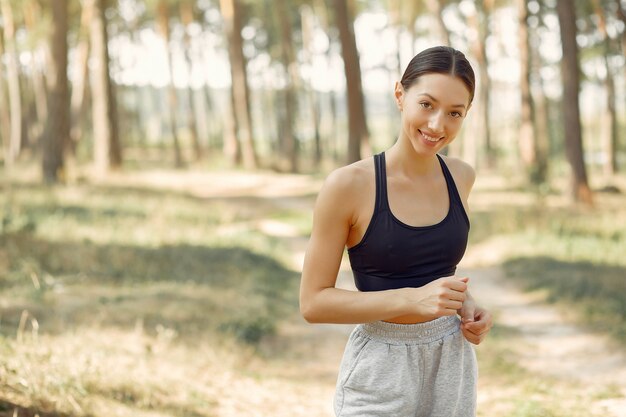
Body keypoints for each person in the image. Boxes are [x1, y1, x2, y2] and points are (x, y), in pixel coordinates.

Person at [299, 46, 493, 417]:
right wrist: (411, 300)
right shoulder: (348, 185)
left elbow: (432, 272)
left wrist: (466, 305)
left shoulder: (461, 176)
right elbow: (313, 303)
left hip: (451, 362)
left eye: (455, 113)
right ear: (400, 95)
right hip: (381, 366)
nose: (438, 125)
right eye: (427, 104)